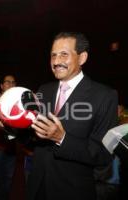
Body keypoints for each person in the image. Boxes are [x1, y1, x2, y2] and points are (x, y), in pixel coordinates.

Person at [27, 32, 118, 200]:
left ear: (82, 58)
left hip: (72, 190)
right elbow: (32, 137)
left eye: (64, 54)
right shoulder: (43, 90)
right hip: (37, 185)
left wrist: (62, 138)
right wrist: (8, 125)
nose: (56, 61)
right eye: (53, 55)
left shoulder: (104, 96)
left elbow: (103, 153)